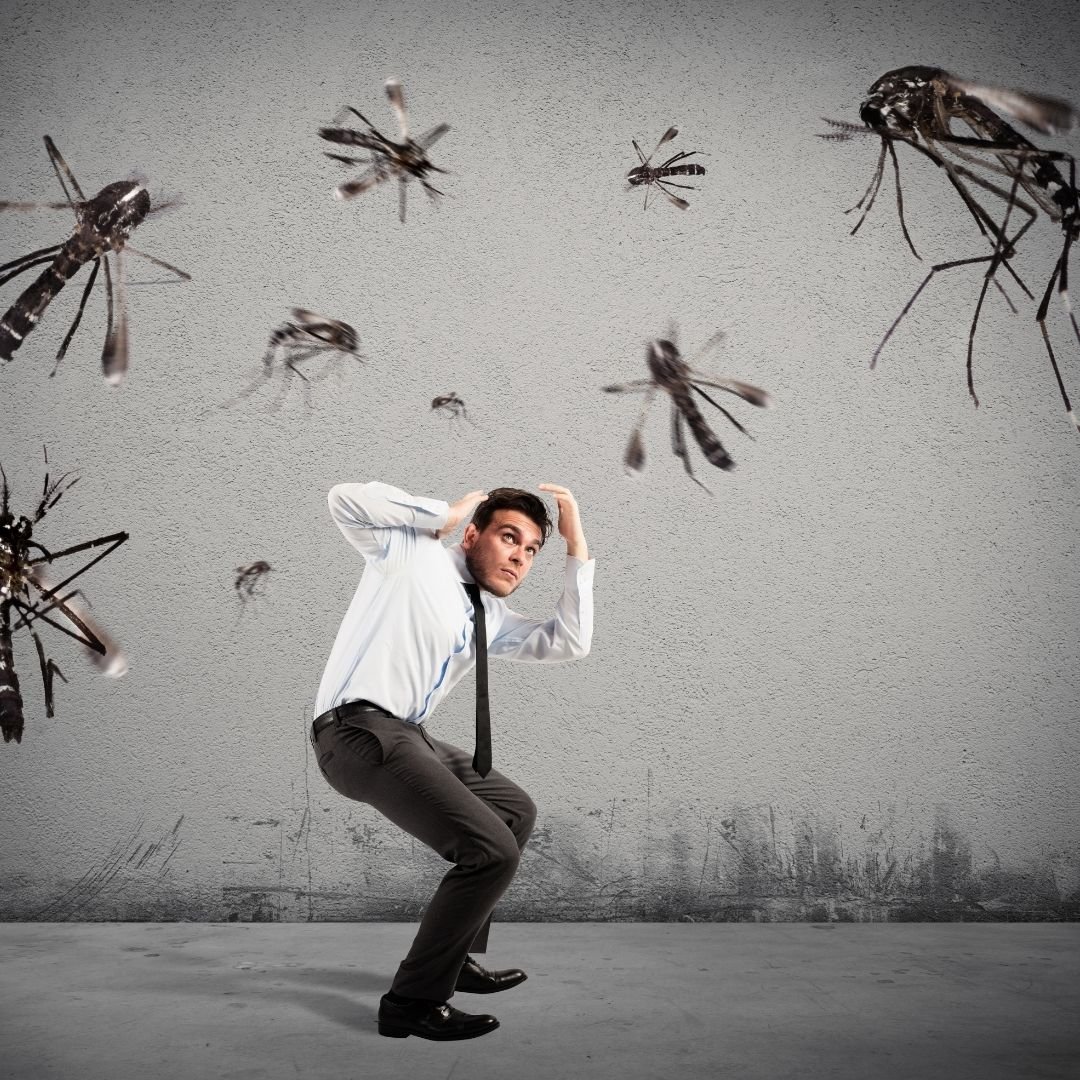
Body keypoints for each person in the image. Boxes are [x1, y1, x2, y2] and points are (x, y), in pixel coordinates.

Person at [311, 480, 594, 1041]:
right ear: (472, 535)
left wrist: (575, 543)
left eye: (532, 549)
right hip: (356, 731)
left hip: (409, 736)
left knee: (514, 812)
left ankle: (453, 957)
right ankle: (411, 1002)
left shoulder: (489, 614)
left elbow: (570, 642)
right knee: (490, 853)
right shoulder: (412, 555)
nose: (519, 556)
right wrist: (444, 513)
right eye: (509, 537)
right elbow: (342, 498)